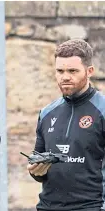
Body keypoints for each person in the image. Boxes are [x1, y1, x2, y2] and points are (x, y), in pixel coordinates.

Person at [27, 39, 105, 211]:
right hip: (48, 206)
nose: (65, 77)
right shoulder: (47, 112)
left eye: (72, 71)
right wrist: (35, 170)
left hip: (91, 206)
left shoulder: (102, 110)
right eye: (60, 71)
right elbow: (38, 166)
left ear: (89, 71)